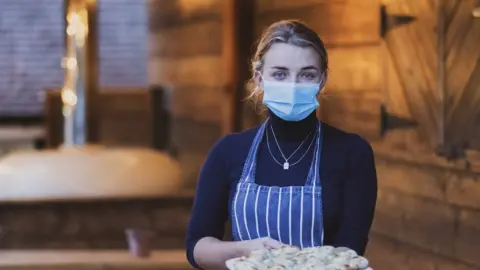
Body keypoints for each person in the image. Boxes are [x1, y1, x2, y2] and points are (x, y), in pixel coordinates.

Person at [185, 20, 377, 269]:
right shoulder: (228, 152)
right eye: (280, 74)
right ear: (259, 79)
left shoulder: (352, 153)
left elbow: (349, 250)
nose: (293, 85)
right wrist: (245, 250)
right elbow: (197, 247)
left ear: (323, 80)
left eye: (307, 74)